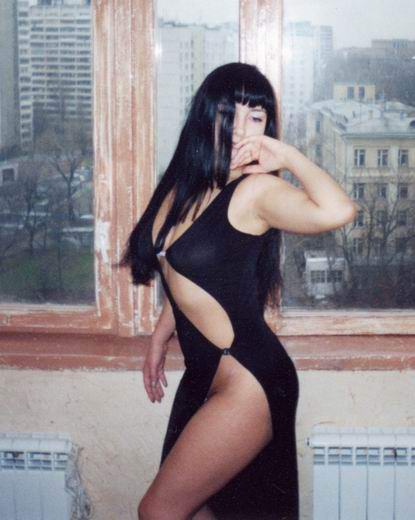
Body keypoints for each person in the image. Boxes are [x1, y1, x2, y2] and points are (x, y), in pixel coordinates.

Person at [121, 62, 358, 520]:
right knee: (201, 509)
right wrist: (159, 335)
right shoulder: (188, 184)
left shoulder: (256, 192)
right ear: (205, 114)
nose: (242, 128)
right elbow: (184, 270)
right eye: (229, 112)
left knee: (158, 511)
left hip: (248, 377)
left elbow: (338, 210)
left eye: (257, 117)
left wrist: (286, 157)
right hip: (203, 373)